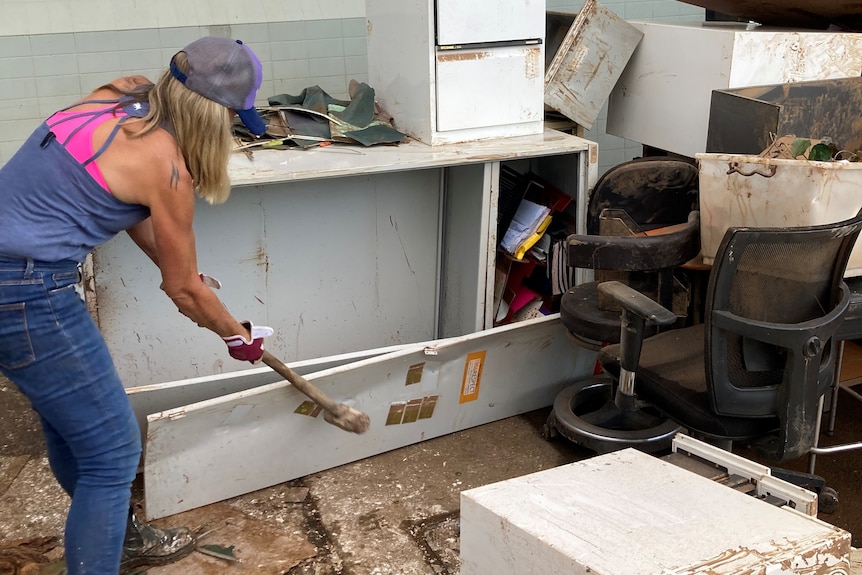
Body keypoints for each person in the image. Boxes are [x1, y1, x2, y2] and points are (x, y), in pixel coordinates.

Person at [0, 36, 274, 574]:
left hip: (13, 279)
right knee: (113, 453)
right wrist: (235, 334)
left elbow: (120, 200)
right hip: (25, 291)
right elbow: (183, 291)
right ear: (216, 115)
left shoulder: (121, 91)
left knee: (73, 429)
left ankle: (117, 538)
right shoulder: (169, 167)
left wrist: (182, 269)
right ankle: (108, 551)